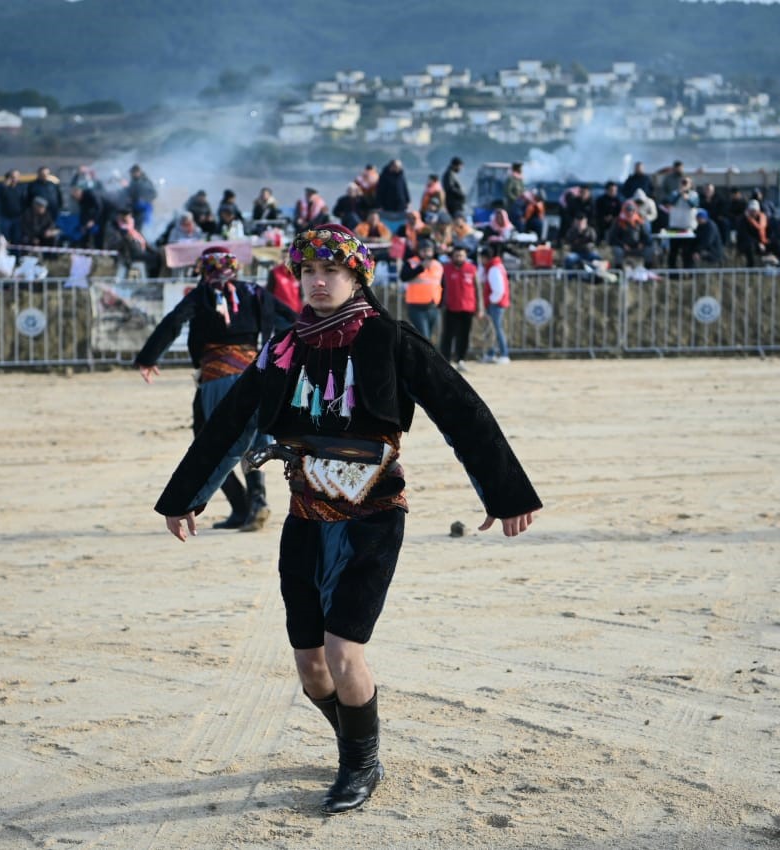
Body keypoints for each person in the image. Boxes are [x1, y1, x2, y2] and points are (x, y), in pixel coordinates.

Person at [153, 223, 540, 814]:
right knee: (311, 669)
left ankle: (358, 767)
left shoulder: (391, 338)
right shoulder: (284, 345)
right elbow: (231, 423)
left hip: (373, 518)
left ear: (357, 276)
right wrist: (185, 495)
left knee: (342, 652)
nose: (316, 281)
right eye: (307, 272)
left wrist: (505, 494)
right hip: (304, 517)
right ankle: (357, 740)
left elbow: (463, 411)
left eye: (330, 271)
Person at [135, 246, 296, 532]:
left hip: (218, 379)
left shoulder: (203, 294)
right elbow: (293, 321)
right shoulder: (255, 292)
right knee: (254, 441)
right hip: (257, 377)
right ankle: (255, 503)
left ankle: (241, 505)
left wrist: (148, 358)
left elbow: (174, 321)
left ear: (202, 270)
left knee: (212, 444)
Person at [438, 245, 480, 369]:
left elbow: (478, 289)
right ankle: (446, 360)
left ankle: (461, 359)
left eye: (461, 255)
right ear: (452, 257)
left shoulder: (472, 269)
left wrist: (480, 308)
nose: (459, 257)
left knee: (464, 335)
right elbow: (441, 287)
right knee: (447, 335)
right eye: (457, 255)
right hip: (450, 307)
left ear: (465, 256)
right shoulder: (446, 269)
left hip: (468, 308)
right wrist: (441, 303)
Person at [398, 239, 442, 341]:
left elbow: (442, 284)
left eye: (429, 250)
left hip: (432, 307)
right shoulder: (411, 262)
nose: (426, 253)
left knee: (429, 337)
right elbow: (404, 277)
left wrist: (441, 303)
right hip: (416, 307)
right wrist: (420, 268)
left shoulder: (437, 265)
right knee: (424, 337)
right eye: (424, 250)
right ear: (419, 251)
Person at [478, 244, 510, 364]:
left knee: (496, 329)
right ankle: (491, 353)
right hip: (496, 303)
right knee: (492, 330)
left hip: (495, 304)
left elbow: (498, 290)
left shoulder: (493, 269)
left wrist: (490, 301)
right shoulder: (495, 267)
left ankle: (504, 354)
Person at [0, 170, 25, 245]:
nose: (13, 179)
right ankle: (5, 254)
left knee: (17, 238)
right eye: (12, 177)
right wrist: (5, 186)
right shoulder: (2, 187)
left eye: (16, 177)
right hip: (5, 217)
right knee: (5, 238)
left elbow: (25, 201)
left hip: (18, 217)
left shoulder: (21, 188)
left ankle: (16, 255)